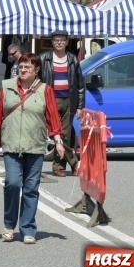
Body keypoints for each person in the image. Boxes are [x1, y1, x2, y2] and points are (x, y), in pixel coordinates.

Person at [0, 53, 63, 244]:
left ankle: (28, 228)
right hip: (12, 143)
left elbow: (53, 117)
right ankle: (8, 225)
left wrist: (59, 141)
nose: (23, 70)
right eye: (21, 67)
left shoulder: (45, 90)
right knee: (12, 183)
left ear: (36, 70)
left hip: (35, 145)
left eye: (27, 67)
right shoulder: (7, 86)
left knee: (31, 188)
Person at [39, 30, 83, 177]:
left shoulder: (72, 59)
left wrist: (80, 106)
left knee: (64, 134)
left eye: (62, 40)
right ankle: (74, 163)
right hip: (49, 100)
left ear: (66, 42)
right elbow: (37, 82)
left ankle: (58, 167)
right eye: (56, 40)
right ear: (52, 42)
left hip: (68, 101)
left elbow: (81, 85)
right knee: (56, 133)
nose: (59, 42)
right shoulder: (44, 58)